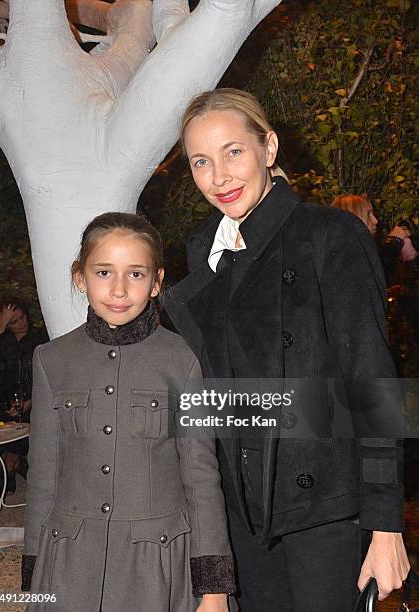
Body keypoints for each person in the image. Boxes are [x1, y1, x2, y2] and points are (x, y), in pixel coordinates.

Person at [163, 88, 410, 611]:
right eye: (201, 162)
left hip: (323, 508)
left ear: (268, 148)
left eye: (234, 152)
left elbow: (372, 383)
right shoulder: (203, 253)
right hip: (241, 512)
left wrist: (386, 527)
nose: (219, 177)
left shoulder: (329, 234)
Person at [21, 213, 235, 611]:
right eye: (104, 272)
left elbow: (202, 479)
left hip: (156, 566)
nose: (118, 289)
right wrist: (33, 579)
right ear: (80, 277)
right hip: (69, 566)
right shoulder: (51, 359)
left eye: (135, 274)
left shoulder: (183, 358)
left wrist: (214, 588)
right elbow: (43, 479)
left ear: (156, 283)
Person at [0, 297, 48, 493]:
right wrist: (0, 327)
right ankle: (11, 464)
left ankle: (9, 465)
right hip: (1, 400)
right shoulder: (1, 338)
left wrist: (32, 400)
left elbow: (48, 375)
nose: (21, 323)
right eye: (13, 321)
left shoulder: (40, 338)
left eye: (22, 317)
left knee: (29, 431)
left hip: (33, 399)